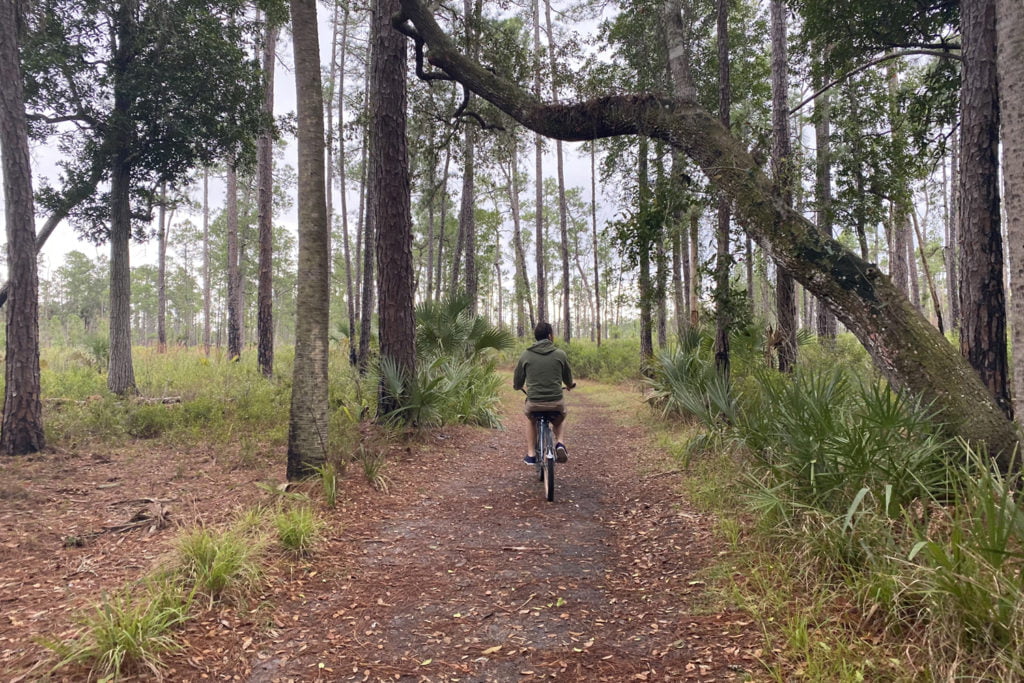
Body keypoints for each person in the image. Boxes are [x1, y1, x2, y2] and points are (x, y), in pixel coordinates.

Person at [512, 322, 574, 465]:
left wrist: (517, 386)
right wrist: (570, 385)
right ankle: (559, 443)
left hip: (534, 402)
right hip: (555, 402)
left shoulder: (526, 355)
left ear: (536, 337)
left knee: (531, 419)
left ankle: (531, 454)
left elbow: (518, 381)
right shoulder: (560, 354)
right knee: (560, 417)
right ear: (550, 336)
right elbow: (568, 379)